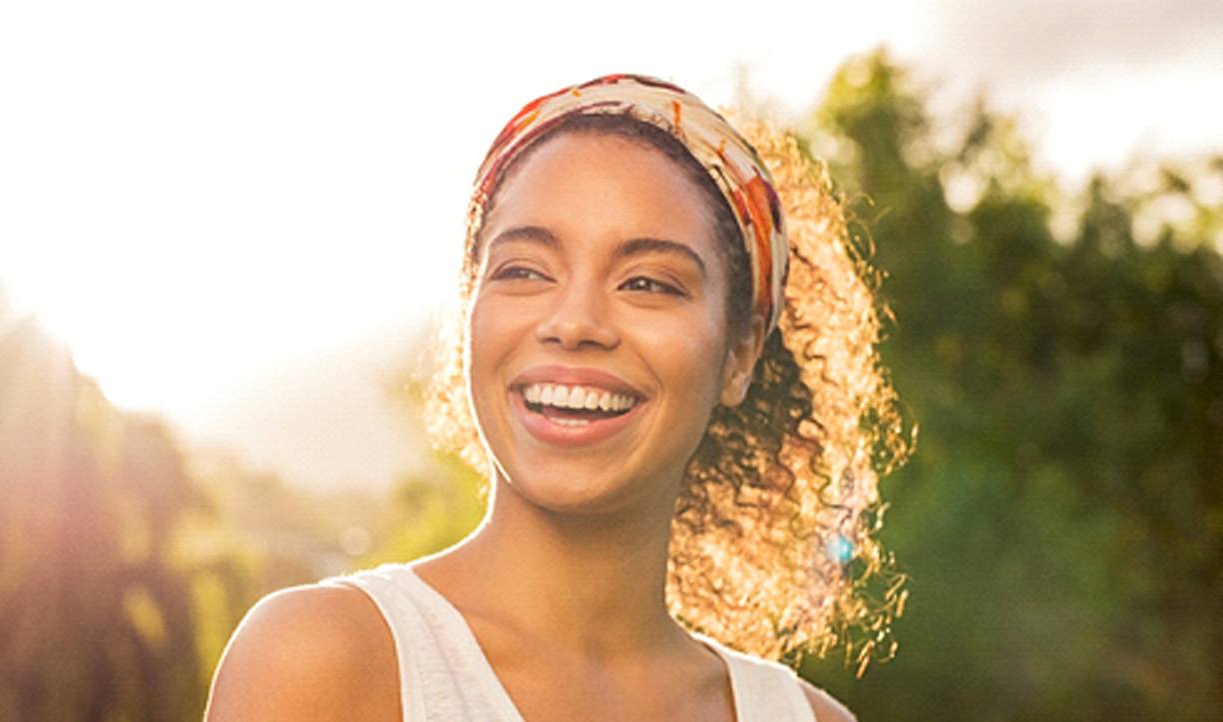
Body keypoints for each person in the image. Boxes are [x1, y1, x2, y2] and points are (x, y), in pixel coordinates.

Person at [204, 74, 910, 721]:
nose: (573, 323)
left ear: (741, 352)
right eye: (524, 270)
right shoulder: (322, 662)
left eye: (648, 283)